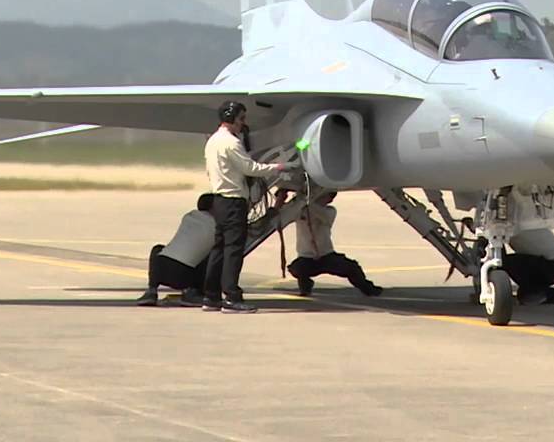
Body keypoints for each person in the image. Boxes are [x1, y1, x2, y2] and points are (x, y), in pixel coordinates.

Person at [202, 101, 287, 313]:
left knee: (219, 249)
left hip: (218, 199)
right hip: (233, 202)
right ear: (231, 119)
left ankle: (211, 296)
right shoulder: (231, 143)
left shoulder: (212, 141)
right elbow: (250, 168)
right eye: (241, 119)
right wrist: (278, 167)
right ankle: (231, 296)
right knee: (233, 250)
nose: (243, 124)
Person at [286, 191, 383, 297]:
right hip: (307, 257)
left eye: (326, 196)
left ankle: (368, 289)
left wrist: (302, 201)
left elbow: (317, 212)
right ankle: (305, 287)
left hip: (326, 256)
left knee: (352, 267)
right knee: (297, 268)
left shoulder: (330, 211)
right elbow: (287, 216)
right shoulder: (301, 210)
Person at [135, 203, 216, 307]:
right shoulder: (219, 224)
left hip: (161, 269)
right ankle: (192, 292)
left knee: (157, 249)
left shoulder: (189, 216)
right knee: (213, 254)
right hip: (184, 276)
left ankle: (151, 291)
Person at [503, 228, 554, 305]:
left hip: (547, 266)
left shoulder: (503, 224)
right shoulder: (525, 219)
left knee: (501, 262)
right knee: (525, 293)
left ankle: (545, 294)